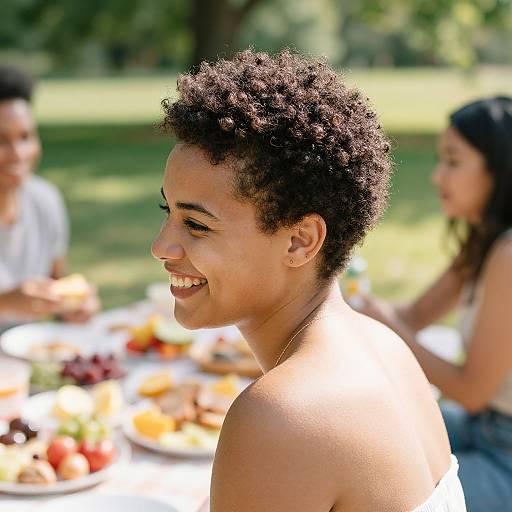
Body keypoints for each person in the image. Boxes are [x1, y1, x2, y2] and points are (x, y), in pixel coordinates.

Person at [152, 49, 466, 511]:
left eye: (196, 225)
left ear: (300, 241)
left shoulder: (280, 417)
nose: (161, 246)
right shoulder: (385, 346)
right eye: (168, 212)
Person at [360, 96, 512, 511]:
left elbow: (472, 390)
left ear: (499, 168)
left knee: (380, 495)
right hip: (483, 428)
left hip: (505, 457)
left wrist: (392, 329)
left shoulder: (509, 254)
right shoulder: (486, 240)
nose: (436, 176)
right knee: (356, 428)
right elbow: (412, 316)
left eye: (453, 161)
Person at [0, 65, 99, 329]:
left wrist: (73, 305)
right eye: (1, 140)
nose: (18, 153)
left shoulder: (45, 200)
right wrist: (7, 302)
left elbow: (57, 285)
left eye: (26, 136)